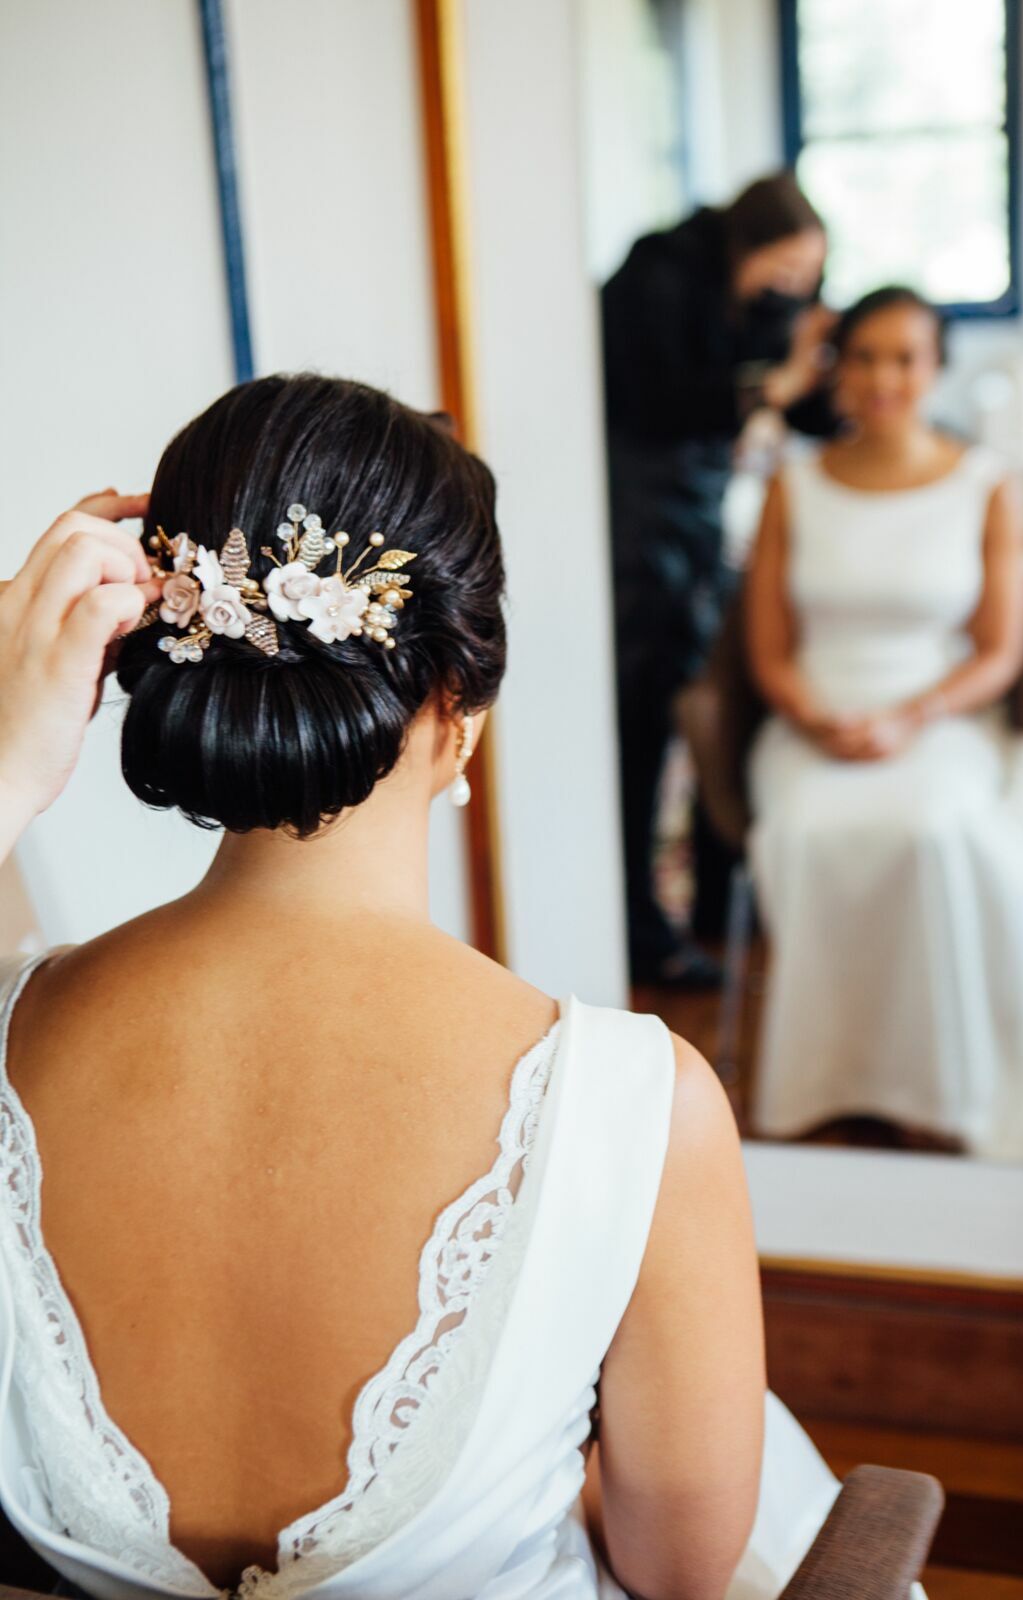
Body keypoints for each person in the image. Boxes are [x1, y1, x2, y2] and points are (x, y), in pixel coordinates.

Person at [0, 376, 850, 1600]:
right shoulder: (633, 1105)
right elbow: (677, 1574)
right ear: (460, 707)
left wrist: (15, 770)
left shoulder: (10, 1033)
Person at [746, 287, 1023, 1161]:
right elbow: (768, 649)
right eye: (864, 356)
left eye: (904, 358)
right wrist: (814, 714)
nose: (883, 377)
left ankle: (936, 1088)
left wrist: (908, 719)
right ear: (837, 368)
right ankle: (826, 1079)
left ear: (933, 369)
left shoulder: (983, 485)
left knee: (932, 831)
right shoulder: (795, 484)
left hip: (940, 717)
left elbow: (999, 651)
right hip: (813, 716)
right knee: (805, 830)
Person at [601, 172, 836, 989]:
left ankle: (712, 901)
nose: (793, 293)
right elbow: (664, 401)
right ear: (750, 245)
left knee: (711, 706)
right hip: (637, 525)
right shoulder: (656, 276)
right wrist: (774, 385)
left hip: (701, 522)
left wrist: (825, 368)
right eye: (786, 274)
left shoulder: (767, 298)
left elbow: (806, 404)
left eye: (807, 281)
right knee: (643, 721)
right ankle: (634, 925)